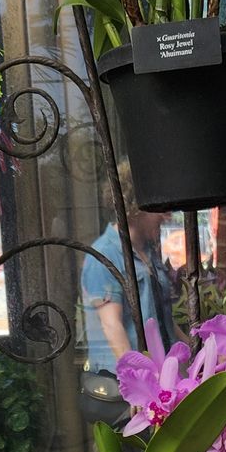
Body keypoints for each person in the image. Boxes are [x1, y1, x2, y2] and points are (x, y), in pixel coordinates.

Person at [79, 162, 175, 431]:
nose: (166, 216)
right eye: (158, 207)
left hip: (156, 384)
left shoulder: (147, 252)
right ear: (136, 205)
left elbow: (160, 316)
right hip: (127, 392)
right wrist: (138, 384)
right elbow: (112, 325)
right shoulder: (105, 255)